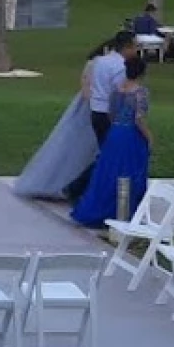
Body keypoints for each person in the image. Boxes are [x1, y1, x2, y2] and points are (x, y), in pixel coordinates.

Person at [13, 39, 115, 199]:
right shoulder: (95, 63)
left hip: (97, 106)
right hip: (89, 109)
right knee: (77, 147)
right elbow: (86, 87)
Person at [70, 56, 153, 229]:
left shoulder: (116, 91)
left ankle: (100, 208)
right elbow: (139, 118)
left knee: (108, 170)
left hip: (115, 132)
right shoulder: (140, 93)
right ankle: (124, 211)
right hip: (130, 135)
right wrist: (148, 136)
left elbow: (111, 113)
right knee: (130, 172)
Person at [64, 32, 137, 204]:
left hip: (96, 111)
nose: (136, 50)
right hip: (108, 114)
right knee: (108, 156)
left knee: (106, 154)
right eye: (134, 46)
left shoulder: (101, 61)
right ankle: (77, 187)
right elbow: (118, 94)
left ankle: (85, 188)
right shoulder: (120, 67)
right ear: (126, 47)